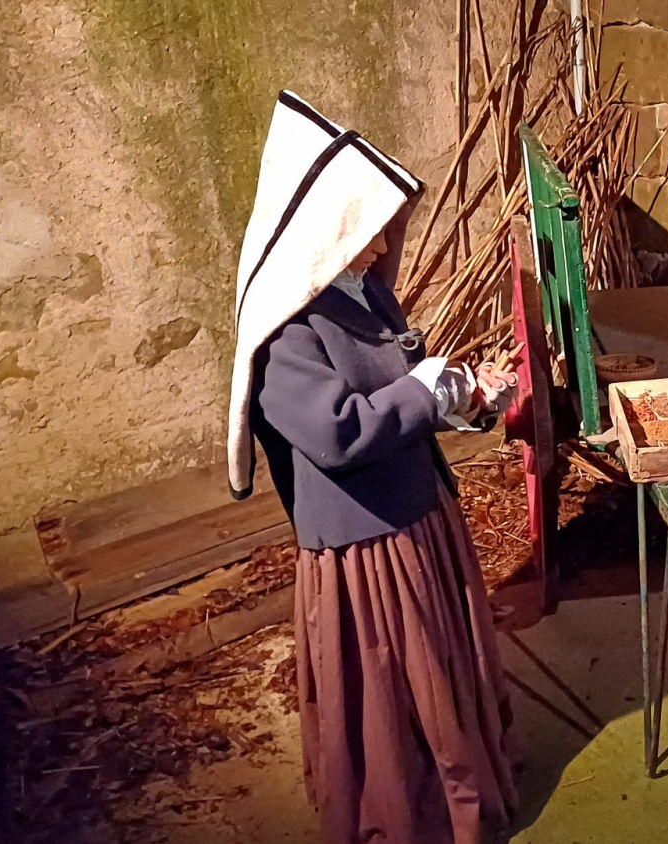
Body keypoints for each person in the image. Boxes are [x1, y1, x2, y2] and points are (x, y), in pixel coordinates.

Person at [225, 91, 518, 842]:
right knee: (393, 689)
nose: (387, 241)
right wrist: (428, 391)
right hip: (365, 550)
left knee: (440, 680)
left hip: (418, 517)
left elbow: (405, 391)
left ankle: (461, 786)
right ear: (326, 228)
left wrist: (467, 398)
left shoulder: (363, 296)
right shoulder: (285, 332)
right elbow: (337, 434)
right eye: (371, 227)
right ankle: (409, 816)